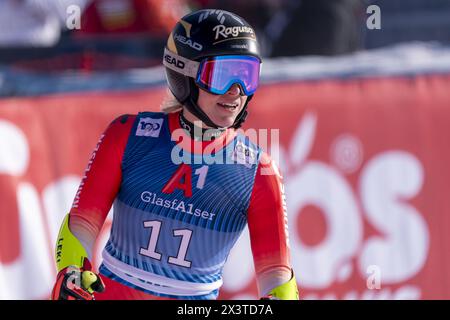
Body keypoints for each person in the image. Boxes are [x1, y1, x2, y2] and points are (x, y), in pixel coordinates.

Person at [51, 8, 299, 300]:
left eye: (247, 75)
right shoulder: (128, 136)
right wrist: (71, 273)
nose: (236, 91)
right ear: (185, 74)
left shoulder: (258, 171)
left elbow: (279, 282)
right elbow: (80, 226)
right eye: (222, 76)